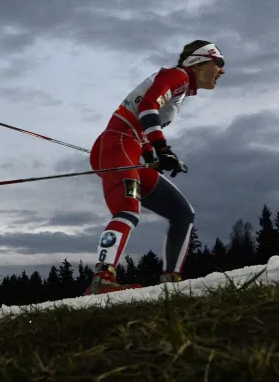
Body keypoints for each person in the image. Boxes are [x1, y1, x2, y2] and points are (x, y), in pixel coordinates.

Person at [85, 40, 225, 295]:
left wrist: (151, 153)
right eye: (219, 62)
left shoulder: (179, 86)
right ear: (199, 62)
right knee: (127, 209)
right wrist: (162, 149)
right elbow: (148, 107)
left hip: (128, 147)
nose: (222, 70)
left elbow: (144, 117)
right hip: (119, 143)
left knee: (182, 213)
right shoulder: (178, 75)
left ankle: (171, 282)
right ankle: (101, 280)